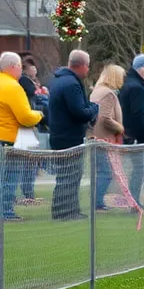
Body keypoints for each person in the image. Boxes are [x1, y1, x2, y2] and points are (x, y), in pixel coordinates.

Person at [48, 49, 99, 221]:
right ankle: (66, 212)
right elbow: (80, 112)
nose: (88, 70)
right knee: (70, 175)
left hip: (58, 134)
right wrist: (94, 107)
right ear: (83, 65)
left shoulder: (58, 81)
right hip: (69, 137)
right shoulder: (72, 84)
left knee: (65, 175)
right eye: (88, 66)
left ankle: (65, 210)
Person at [0, 51, 43, 220]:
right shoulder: (13, 87)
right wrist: (39, 114)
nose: (21, 71)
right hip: (8, 139)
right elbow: (25, 117)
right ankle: (6, 212)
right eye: (19, 67)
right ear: (13, 67)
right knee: (9, 178)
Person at [87, 64, 126, 211]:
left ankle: (97, 201)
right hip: (103, 138)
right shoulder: (108, 94)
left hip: (95, 137)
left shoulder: (97, 91)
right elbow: (105, 118)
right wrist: (120, 128)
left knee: (101, 171)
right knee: (106, 172)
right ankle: (97, 203)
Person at [119, 54, 144, 205]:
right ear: (142, 68)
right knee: (139, 169)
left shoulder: (129, 83)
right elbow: (138, 114)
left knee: (135, 169)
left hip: (127, 132)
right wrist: (142, 137)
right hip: (134, 135)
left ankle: (132, 200)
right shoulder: (137, 87)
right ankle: (133, 201)